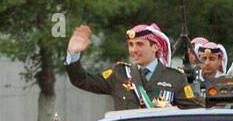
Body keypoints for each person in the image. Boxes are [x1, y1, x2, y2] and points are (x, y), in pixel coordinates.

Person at [66, 22, 197, 110]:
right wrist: (73, 54)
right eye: (131, 44)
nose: (134, 50)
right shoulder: (120, 73)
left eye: (140, 44)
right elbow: (82, 80)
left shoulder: (175, 77)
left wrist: (172, 111)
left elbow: (194, 112)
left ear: (155, 47)